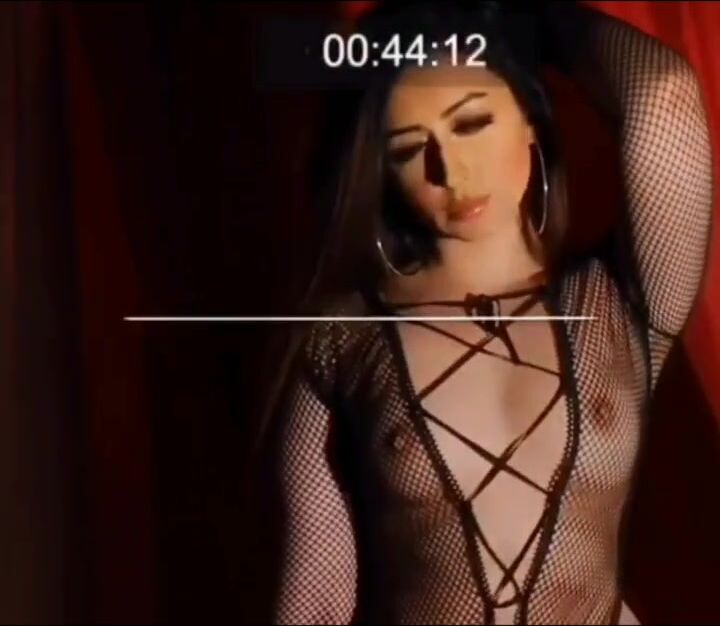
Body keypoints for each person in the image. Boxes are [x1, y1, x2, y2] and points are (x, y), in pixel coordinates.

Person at [262, 1, 714, 624]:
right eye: (409, 149)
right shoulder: (346, 339)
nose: (452, 172)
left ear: (530, 118)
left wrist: (531, 22)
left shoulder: (614, 307)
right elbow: (317, 600)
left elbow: (664, 98)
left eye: (472, 122)